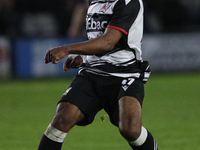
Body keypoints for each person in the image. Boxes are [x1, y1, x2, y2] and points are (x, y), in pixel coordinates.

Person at [38, 0, 158, 150]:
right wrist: (83, 57)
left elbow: (107, 42)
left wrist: (66, 49)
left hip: (125, 74)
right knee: (62, 117)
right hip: (92, 73)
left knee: (130, 129)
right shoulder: (92, 1)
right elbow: (96, 38)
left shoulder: (128, 2)